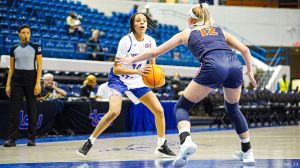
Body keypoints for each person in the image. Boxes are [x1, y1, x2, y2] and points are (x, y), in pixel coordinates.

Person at [117, 3, 257, 167]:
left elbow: (155, 52)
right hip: (234, 66)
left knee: (181, 107)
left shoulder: (187, 32)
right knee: (233, 108)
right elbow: (245, 50)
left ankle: (186, 141)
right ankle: (247, 152)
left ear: (191, 19)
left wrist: (132, 60)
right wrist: (249, 73)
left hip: (213, 66)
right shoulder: (219, 30)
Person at [77, 12, 175, 158]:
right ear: (133, 24)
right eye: (138, 20)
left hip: (137, 81)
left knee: (159, 110)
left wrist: (155, 78)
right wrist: (139, 71)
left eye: (144, 20)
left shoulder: (151, 42)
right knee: (114, 112)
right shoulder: (126, 41)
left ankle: (161, 145)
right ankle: (89, 142)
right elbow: (116, 69)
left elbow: (152, 67)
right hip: (119, 79)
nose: (142, 22)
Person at [4, 24, 42, 147]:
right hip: (17, 79)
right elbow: (11, 68)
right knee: (14, 109)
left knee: (32, 108)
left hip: (31, 77)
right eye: (24, 32)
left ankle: (31, 138)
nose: (26, 35)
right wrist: (8, 84)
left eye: (28, 33)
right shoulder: (13, 48)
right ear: (19, 34)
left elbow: (40, 66)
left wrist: (38, 83)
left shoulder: (36, 47)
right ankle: (12, 138)